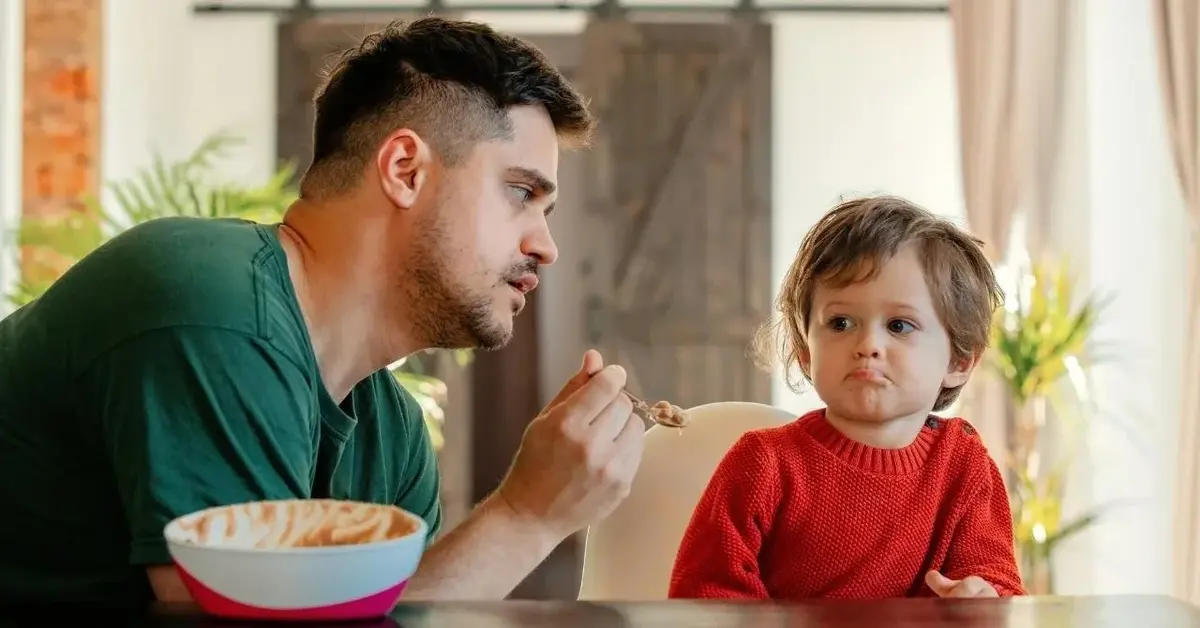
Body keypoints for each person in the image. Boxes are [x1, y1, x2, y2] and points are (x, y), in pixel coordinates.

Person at [0, 17, 646, 606]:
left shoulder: (391, 438)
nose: (547, 246)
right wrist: (525, 515)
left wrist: (532, 514)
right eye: (521, 192)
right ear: (404, 170)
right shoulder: (209, 306)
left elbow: (377, 619)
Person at [667, 196, 1024, 600]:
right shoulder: (762, 463)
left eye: (899, 325)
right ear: (805, 350)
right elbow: (704, 596)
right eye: (841, 323)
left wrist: (980, 597)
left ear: (959, 360)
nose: (868, 344)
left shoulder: (964, 465)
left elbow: (998, 584)